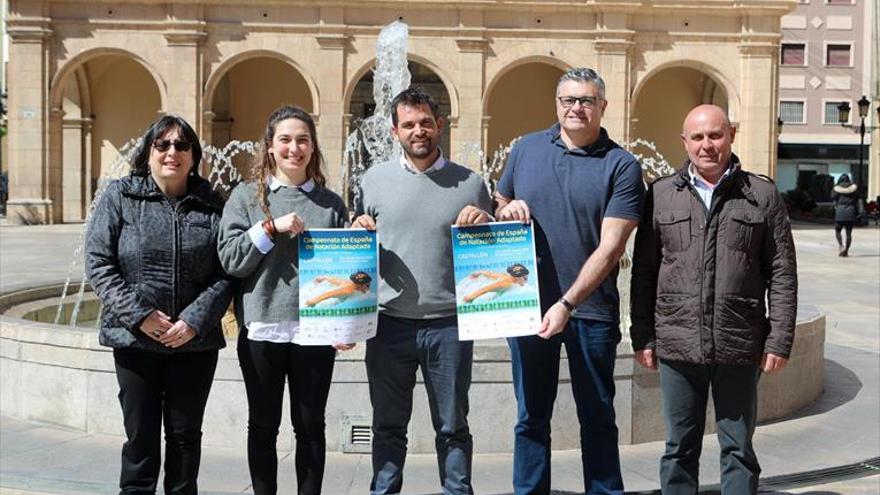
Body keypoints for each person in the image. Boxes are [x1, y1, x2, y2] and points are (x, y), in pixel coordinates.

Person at [630, 104, 798, 495]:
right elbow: (644, 272)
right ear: (685, 142)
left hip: (739, 343)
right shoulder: (660, 195)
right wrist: (643, 335)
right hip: (678, 343)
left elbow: (782, 273)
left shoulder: (762, 194)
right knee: (678, 449)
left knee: (738, 448)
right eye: (698, 137)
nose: (707, 145)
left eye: (716, 135)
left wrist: (779, 338)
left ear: (732, 135)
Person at [494, 67, 645, 495]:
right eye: (568, 100)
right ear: (557, 104)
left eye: (586, 100)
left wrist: (567, 303)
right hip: (526, 306)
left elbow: (611, 247)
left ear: (603, 107)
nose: (576, 108)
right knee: (530, 418)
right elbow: (501, 199)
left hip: (590, 312)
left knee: (597, 417)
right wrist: (507, 207)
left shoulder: (622, 165)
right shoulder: (525, 149)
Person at [352, 87, 493, 495]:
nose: (419, 131)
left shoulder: (471, 183)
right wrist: (357, 228)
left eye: (426, 123)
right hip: (389, 324)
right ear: (395, 131)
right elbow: (359, 251)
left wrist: (485, 221)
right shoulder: (373, 181)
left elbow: (491, 252)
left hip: (448, 324)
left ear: (440, 126)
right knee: (388, 426)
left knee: (452, 425)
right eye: (409, 124)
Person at [85, 115, 232, 495]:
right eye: (163, 145)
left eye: (182, 146)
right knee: (140, 439)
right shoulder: (120, 196)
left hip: (193, 345)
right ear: (148, 151)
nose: (172, 153)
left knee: (185, 440)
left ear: (194, 155)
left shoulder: (213, 203)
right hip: (135, 343)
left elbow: (228, 271)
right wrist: (140, 316)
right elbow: (99, 263)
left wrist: (195, 321)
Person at [217, 105, 351, 495]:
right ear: (270, 147)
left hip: (315, 332)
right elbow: (231, 259)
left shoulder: (331, 204)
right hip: (263, 328)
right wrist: (270, 228)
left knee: (311, 427)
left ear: (313, 148)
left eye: (303, 140)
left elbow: (344, 270)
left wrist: (346, 323)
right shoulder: (246, 197)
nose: (295, 148)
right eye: (286, 140)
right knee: (262, 425)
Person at [462, 264, 529, 303]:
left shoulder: (506, 276)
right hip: (480, 299)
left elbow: (491, 274)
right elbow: (486, 289)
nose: (526, 280)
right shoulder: (505, 283)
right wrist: (471, 297)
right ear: (517, 277)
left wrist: (479, 273)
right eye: (525, 278)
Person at [831, 173, 860, 257]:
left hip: (840, 212)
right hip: (851, 212)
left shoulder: (837, 189)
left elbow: (832, 197)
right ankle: (846, 250)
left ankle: (841, 245)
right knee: (849, 233)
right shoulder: (854, 189)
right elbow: (858, 197)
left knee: (837, 230)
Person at [305, 272, 372, 307]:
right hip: (323, 300)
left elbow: (335, 280)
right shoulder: (349, 289)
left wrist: (324, 278)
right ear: (360, 285)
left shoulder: (350, 283)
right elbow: (329, 294)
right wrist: (313, 301)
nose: (368, 288)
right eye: (367, 285)